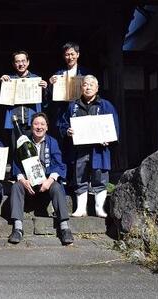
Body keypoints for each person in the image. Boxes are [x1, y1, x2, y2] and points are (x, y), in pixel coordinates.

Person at [8, 112, 74, 245]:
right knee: (16, 186)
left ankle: (64, 227)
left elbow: (59, 165)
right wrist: (22, 180)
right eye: (36, 124)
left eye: (42, 124)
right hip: (29, 184)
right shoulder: (23, 141)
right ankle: (18, 227)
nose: (39, 127)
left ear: (47, 127)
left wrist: (49, 180)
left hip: (46, 184)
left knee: (57, 186)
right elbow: (16, 164)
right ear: (31, 127)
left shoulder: (52, 142)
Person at [60, 75, 119, 218]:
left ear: (97, 88)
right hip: (79, 149)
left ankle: (100, 208)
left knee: (100, 177)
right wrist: (67, 130)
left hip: (99, 149)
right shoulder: (73, 106)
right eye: (85, 84)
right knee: (80, 177)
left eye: (92, 84)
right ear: (81, 87)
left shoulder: (105, 105)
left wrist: (109, 138)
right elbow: (62, 124)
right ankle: (81, 208)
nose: (88, 87)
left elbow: (114, 126)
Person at [48, 42, 90, 177]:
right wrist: (50, 84)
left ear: (78, 55)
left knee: (80, 148)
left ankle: (80, 178)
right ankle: (64, 178)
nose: (70, 57)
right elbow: (50, 97)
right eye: (67, 54)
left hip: (81, 113)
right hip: (63, 115)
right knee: (63, 147)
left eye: (72, 54)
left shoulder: (85, 73)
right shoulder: (59, 73)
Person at [0, 51, 48, 155]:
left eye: (23, 61)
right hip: (14, 122)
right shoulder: (8, 80)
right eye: (17, 61)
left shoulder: (36, 79)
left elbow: (46, 102)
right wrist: (0, 84)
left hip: (31, 121)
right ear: (13, 64)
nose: (21, 64)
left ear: (28, 62)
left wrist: (45, 89)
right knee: (15, 151)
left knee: (33, 151)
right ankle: (16, 172)